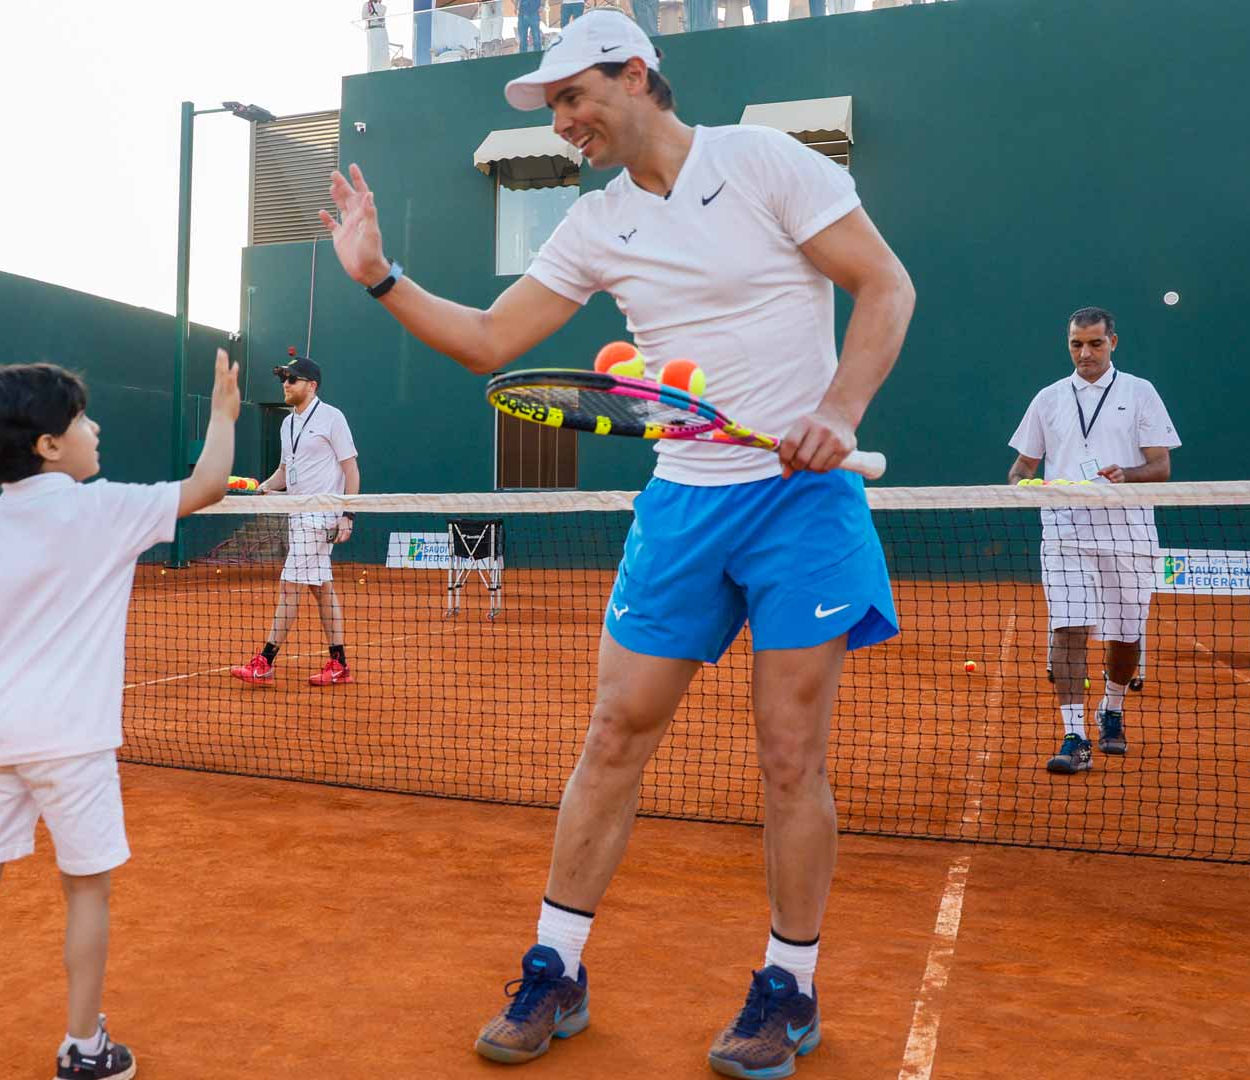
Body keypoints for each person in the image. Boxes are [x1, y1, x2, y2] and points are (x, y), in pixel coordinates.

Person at [318, 9, 914, 1076]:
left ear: (637, 76)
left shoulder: (763, 162)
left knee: (790, 756)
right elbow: (493, 340)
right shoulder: (592, 225)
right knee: (613, 735)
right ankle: (558, 966)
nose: (566, 123)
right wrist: (377, 274)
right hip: (684, 502)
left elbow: (886, 284)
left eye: (575, 98)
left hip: (801, 501)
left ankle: (789, 985)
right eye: (554, 108)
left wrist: (841, 408)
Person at [0, 352, 241, 1080]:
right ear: (48, 446)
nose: (95, 428)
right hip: (74, 742)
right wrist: (224, 416)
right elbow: (206, 487)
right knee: (87, 890)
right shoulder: (101, 508)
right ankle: (84, 1049)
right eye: (81, 421)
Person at [1008, 307, 1179, 775]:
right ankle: (1074, 735)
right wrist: (1025, 485)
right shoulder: (1047, 399)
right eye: (1076, 344)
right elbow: (1022, 467)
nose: (1085, 353)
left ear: (1113, 343)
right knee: (1068, 628)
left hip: (1128, 533)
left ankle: (1113, 707)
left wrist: (1128, 475)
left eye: (1095, 344)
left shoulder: (1140, 393)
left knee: (1125, 640)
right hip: (1064, 532)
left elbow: (1161, 467)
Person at [231, 352, 363, 687]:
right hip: (297, 516)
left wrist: (347, 515)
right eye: (283, 379)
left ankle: (265, 660)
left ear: (311, 385)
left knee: (290, 586)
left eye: (292, 379)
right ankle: (339, 663)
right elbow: (285, 471)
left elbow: (351, 469)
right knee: (322, 590)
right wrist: (265, 487)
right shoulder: (287, 423)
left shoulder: (333, 418)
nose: (285, 384)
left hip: (322, 518)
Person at [364, 0, 390, 71]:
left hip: (381, 29)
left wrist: (373, 17)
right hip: (372, 30)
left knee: (383, 50)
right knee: (373, 51)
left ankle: (384, 69)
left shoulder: (383, 7)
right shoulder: (367, 5)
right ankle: (372, 70)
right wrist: (373, 17)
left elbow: (380, 16)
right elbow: (364, 16)